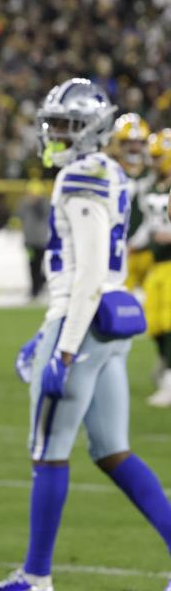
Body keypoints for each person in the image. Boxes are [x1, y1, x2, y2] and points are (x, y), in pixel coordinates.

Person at [0, 79, 171, 591]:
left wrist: (58, 346)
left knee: (48, 449)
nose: (54, 133)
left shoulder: (80, 177)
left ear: (90, 130)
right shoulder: (112, 173)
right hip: (110, 324)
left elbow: (84, 275)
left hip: (80, 324)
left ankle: (36, 577)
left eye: (65, 125)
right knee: (112, 450)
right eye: (54, 123)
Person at [139, 129, 171, 407]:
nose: (154, 161)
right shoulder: (150, 187)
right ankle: (166, 369)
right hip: (156, 263)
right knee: (155, 324)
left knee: (170, 321)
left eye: (159, 156)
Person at [112, 113, 154, 291]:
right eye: (129, 143)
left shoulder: (154, 173)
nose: (135, 148)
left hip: (151, 250)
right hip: (120, 251)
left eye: (139, 143)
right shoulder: (111, 171)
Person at [15, 180, 51, 300]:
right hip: (29, 241)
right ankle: (35, 289)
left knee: (39, 264)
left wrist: (36, 203)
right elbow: (18, 215)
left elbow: (44, 214)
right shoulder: (24, 204)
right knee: (32, 265)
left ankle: (39, 285)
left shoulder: (44, 204)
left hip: (41, 241)